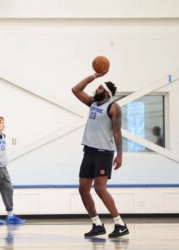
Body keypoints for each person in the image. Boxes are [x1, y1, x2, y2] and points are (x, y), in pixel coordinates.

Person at [71, 73, 129, 238]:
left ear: (107, 93)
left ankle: (120, 224)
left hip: (104, 153)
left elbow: (117, 133)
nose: (96, 88)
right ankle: (97, 224)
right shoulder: (93, 102)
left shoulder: (113, 107)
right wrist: (94, 76)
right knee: (83, 189)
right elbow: (75, 90)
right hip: (89, 151)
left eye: (100, 87)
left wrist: (120, 155)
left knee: (99, 188)